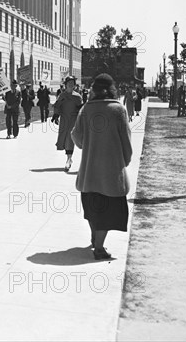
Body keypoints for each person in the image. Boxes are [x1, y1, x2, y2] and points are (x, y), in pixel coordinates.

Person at [71, 73, 133, 261]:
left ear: (94, 90)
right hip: (111, 173)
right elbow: (126, 141)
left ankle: (94, 237)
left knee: (92, 208)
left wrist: (88, 143)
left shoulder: (86, 109)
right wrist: (125, 161)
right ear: (112, 88)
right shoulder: (118, 110)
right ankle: (99, 247)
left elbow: (76, 136)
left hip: (90, 171)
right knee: (108, 211)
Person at [52, 75, 83, 171]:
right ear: (65, 85)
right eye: (69, 83)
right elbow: (57, 106)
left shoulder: (77, 97)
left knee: (70, 139)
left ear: (74, 85)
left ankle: (68, 159)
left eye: (72, 84)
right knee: (64, 139)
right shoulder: (62, 96)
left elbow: (81, 109)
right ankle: (68, 157)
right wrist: (56, 115)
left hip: (73, 120)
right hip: (64, 120)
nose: (70, 85)